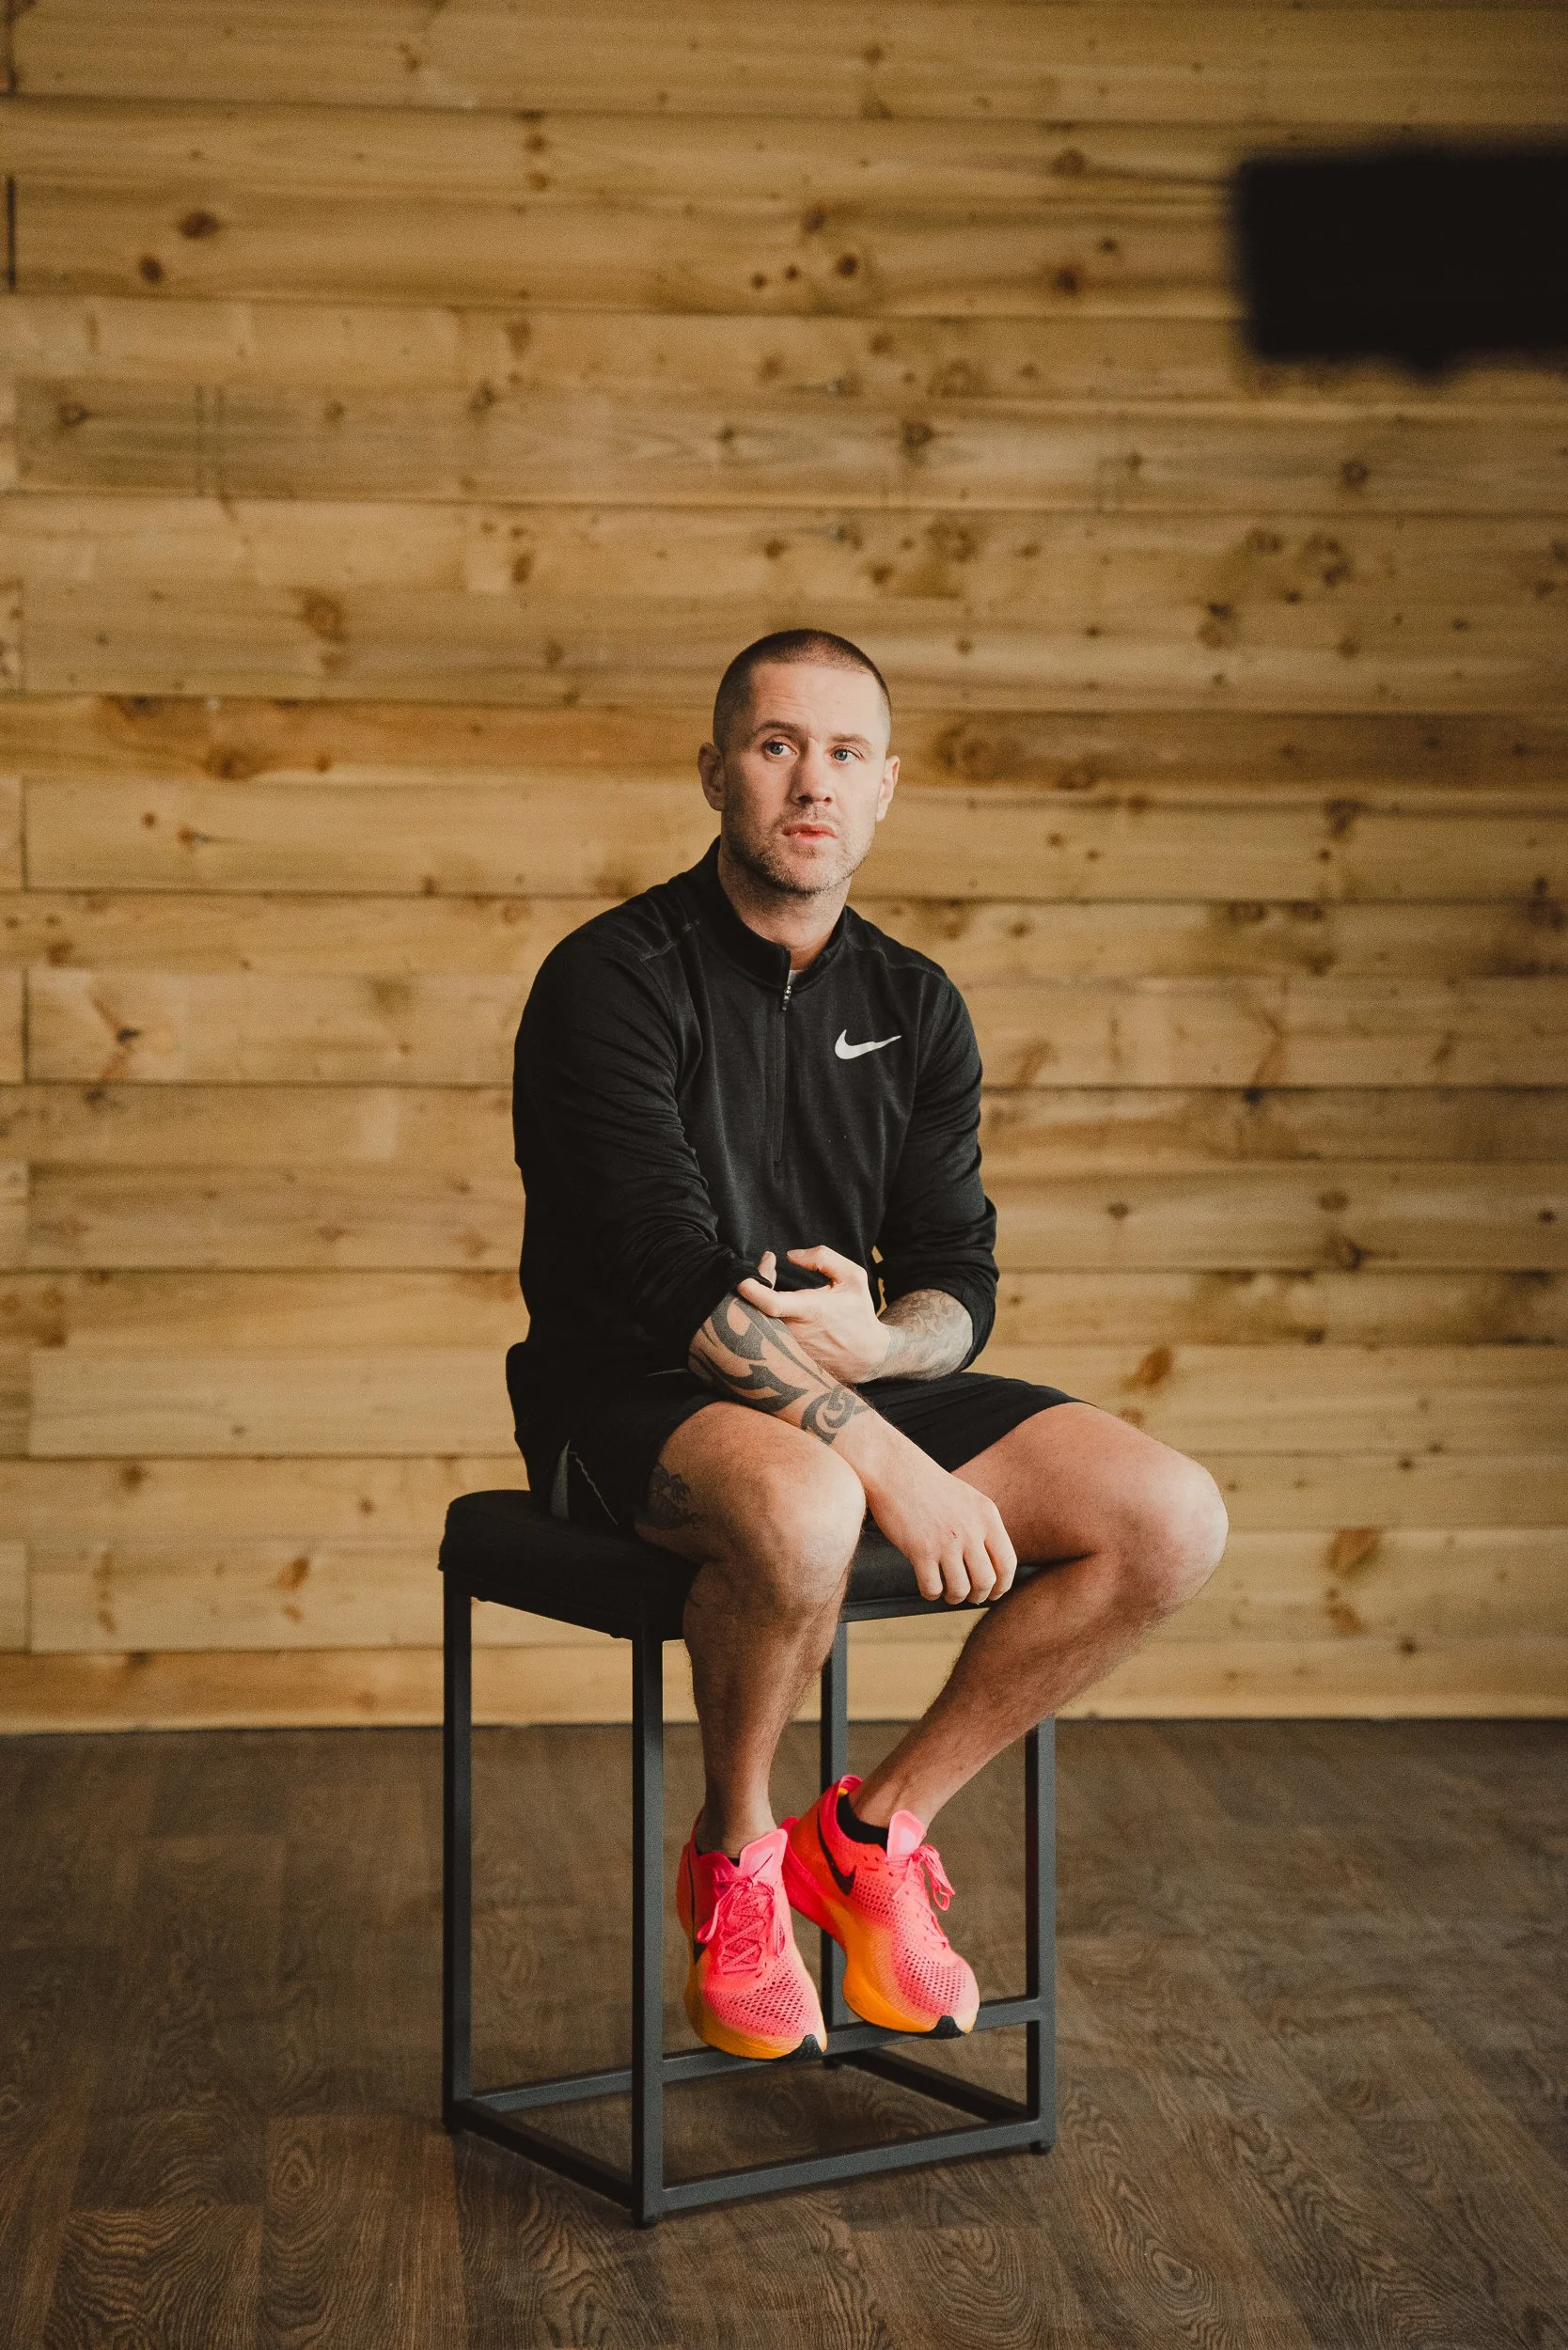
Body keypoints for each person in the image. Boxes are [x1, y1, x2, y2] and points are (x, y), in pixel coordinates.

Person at [508, 630, 1229, 2063]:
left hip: (847, 1385)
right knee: (815, 1503)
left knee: (1171, 1516)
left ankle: (877, 1832)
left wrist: (886, 1347)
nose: (809, 781)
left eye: (843, 753)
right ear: (716, 770)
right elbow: (668, 1283)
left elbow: (957, 1274)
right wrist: (889, 1457)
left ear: (887, 787)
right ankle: (739, 1856)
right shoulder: (612, 981)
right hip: (631, 1394)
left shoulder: (916, 1004)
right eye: (776, 745)